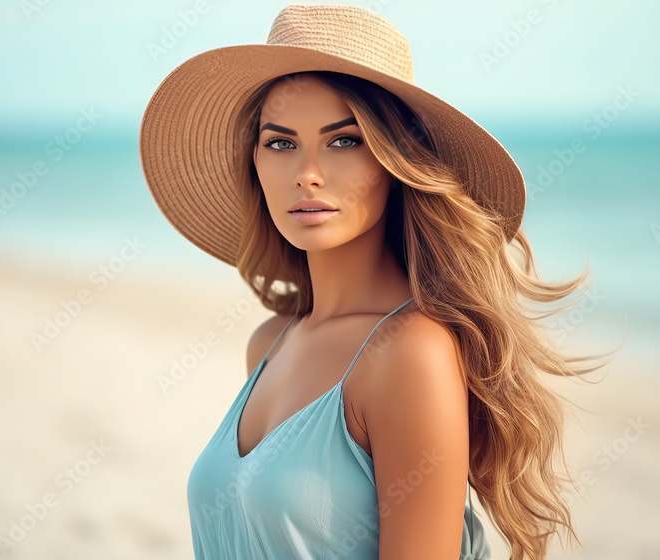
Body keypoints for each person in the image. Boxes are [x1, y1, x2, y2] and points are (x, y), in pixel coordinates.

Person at [139, 4, 602, 559]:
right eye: (280, 142)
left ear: (395, 163)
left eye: (344, 140)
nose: (306, 172)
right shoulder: (270, 343)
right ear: (255, 164)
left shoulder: (411, 353)